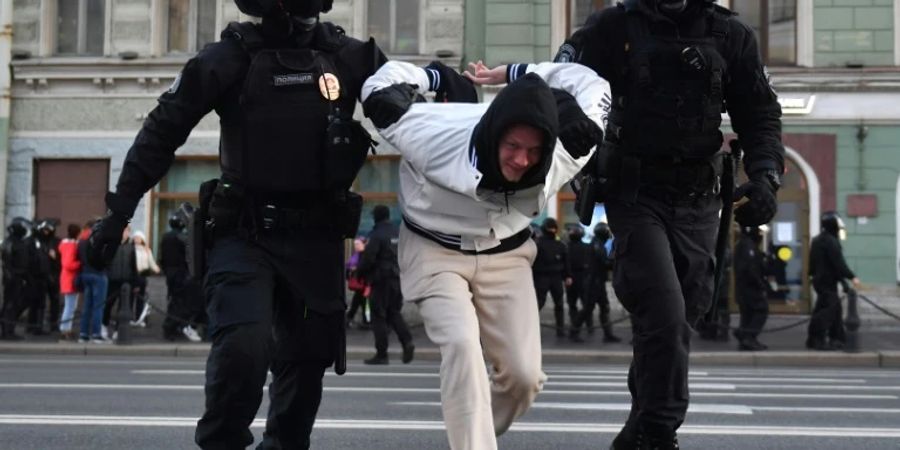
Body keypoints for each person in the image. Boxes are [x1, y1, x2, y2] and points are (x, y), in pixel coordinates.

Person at [85, 1, 388, 447]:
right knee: (243, 351)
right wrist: (117, 214)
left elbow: (417, 108)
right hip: (244, 234)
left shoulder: (347, 57)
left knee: (306, 366)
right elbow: (162, 130)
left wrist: (464, 93)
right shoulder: (229, 58)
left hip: (316, 238)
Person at [554, 0, 785, 447]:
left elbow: (760, 114)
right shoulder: (613, 25)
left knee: (680, 319)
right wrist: (570, 120)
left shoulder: (730, 34)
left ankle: (637, 431)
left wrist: (765, 178)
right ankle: (659, 432)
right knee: (663, 313)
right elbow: (561, 80)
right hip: (634, 194)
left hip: (698, 200)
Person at [362, 58, 608, 449]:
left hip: (506, 255)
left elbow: (590, 82)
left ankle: (472, 428)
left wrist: (520, 72)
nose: (521, 160)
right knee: (461, 343)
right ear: (494, 138)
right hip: (434, 252)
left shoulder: (568, 149)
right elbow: (377, 87)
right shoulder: (428, 132)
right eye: (512, 147)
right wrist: (433, 76)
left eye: (532, 151)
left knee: (524, 378)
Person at [356, 205, 414, 365]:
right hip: (398, 278)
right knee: (394, 312)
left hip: (381, 280)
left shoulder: (377, 234)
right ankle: (407, 341)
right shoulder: (398, 233)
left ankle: (382, 354)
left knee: (378, 315)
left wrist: (359, 273)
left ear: (376, 217)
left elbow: (369, 258)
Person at [807, 211, 860, 351]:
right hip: (827, 281)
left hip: (820, 280)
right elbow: (838, 263)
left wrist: (843, 282)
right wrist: (851, 276)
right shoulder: (831, 241)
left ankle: (836, 339)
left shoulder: (818, 239)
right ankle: (818, 340)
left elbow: (814, 263)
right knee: (827, 312)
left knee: (833, 310)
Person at [572, 222, 621, 343]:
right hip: (593, 283)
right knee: (588, 309)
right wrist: (617, 261)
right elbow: (605, 262)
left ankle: (608, 334)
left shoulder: (597, 244)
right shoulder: (597, 245)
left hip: (598, 282)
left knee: (604, 307)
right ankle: (574, 332)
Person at [159, 211, 200, 342]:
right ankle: (172, 326)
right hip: (181, 274)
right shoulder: (182, 238)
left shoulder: (165, 237)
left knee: (174, 300)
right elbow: (189, 257)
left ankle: (173, 327)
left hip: (170, 274)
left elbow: (162, 259)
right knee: (180, 302)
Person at [533, 217, 572, 337]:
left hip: (551, 277)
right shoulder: (539, 244)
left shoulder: (558, 244)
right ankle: (534, 328)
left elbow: (566, 262)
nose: (553, 230)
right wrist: (567, 276)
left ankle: (559, 330)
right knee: (540, 303)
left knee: (556, 304)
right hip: (544, 277)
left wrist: (567, 276)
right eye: (551, 228)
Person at [733, 226, 769, 351]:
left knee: (747, 314)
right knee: (760, 311)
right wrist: (760, 284)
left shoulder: (744, 244)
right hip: (750, 288)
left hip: (745, 288)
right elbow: (750, 269)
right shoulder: (747, 246)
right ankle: (748, 336)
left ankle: (745, 338)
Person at [0, 217, 37, 340]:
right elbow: (9, 263)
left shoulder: (18, 242)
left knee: (16, 304)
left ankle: (9, 328)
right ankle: (7, 331)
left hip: (19, 277)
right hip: (14, 278)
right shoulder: (11, 242)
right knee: (11, 305)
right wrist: (16, 276)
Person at [102, 225, 137, 340]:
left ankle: (118, 330)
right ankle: (104, 326)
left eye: (127, 230)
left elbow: (135, 265)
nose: (124, 233)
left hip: (126, 281)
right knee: (108, 304)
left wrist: (135, 282)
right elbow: (105, 262)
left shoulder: (132, 247)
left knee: (123, 306)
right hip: (112, 279)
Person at [77, 219, 109, 343]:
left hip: (86, 273)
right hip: (99, 275)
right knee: (98, 306)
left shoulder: (82, 241)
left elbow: (79, 257)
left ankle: (83, 334)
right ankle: (96, 334)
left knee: (87, 306)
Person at [34, 219, 62, 334]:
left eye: (48, 230)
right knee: (40, 303)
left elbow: (61, 260)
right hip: (41, 277)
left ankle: (53, 325)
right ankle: (38, 326)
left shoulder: (56, 242)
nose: (46, 232)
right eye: (45, 230)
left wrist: (55, 258)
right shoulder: (38, 242)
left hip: (54, 276)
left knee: (55, 302)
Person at [565, 225, 591, 342]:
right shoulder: (585, 247)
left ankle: (576, 327)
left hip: (576, 279)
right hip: (578, 278)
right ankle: (577, 328)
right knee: (580, 304)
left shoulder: (567, 247)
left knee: (579, 305)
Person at [57, 224, 82, 341]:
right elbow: (68, 264)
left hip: (67, 278)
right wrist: (79, 264)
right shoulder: (71, 246)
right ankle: (65, 329)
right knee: (70, 306)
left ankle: (66, 329)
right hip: (70, 279)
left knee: (70, 306)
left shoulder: (65, 244)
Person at [131, 231, 160, 327]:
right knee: (130, 298)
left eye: (138, 238)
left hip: (143, 276)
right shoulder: (131, 249)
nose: (136, 240)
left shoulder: (146, 250)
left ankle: (139, 317)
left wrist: (156, 269)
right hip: (133, 275)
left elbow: (151, 262)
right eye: (135, 238)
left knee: (141, 298)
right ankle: (129, 318)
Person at [345, 237, 371, 328]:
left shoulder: (365, 255)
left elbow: (365, 267)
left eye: (358, 244)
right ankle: (364, 321)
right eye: (355, 244)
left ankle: (352, 318)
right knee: (359, 301)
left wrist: (356, 268)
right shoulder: (358, 254)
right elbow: (349, 265)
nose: (356, 246)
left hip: (364, 282)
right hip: (361, 283)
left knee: (360, 301)